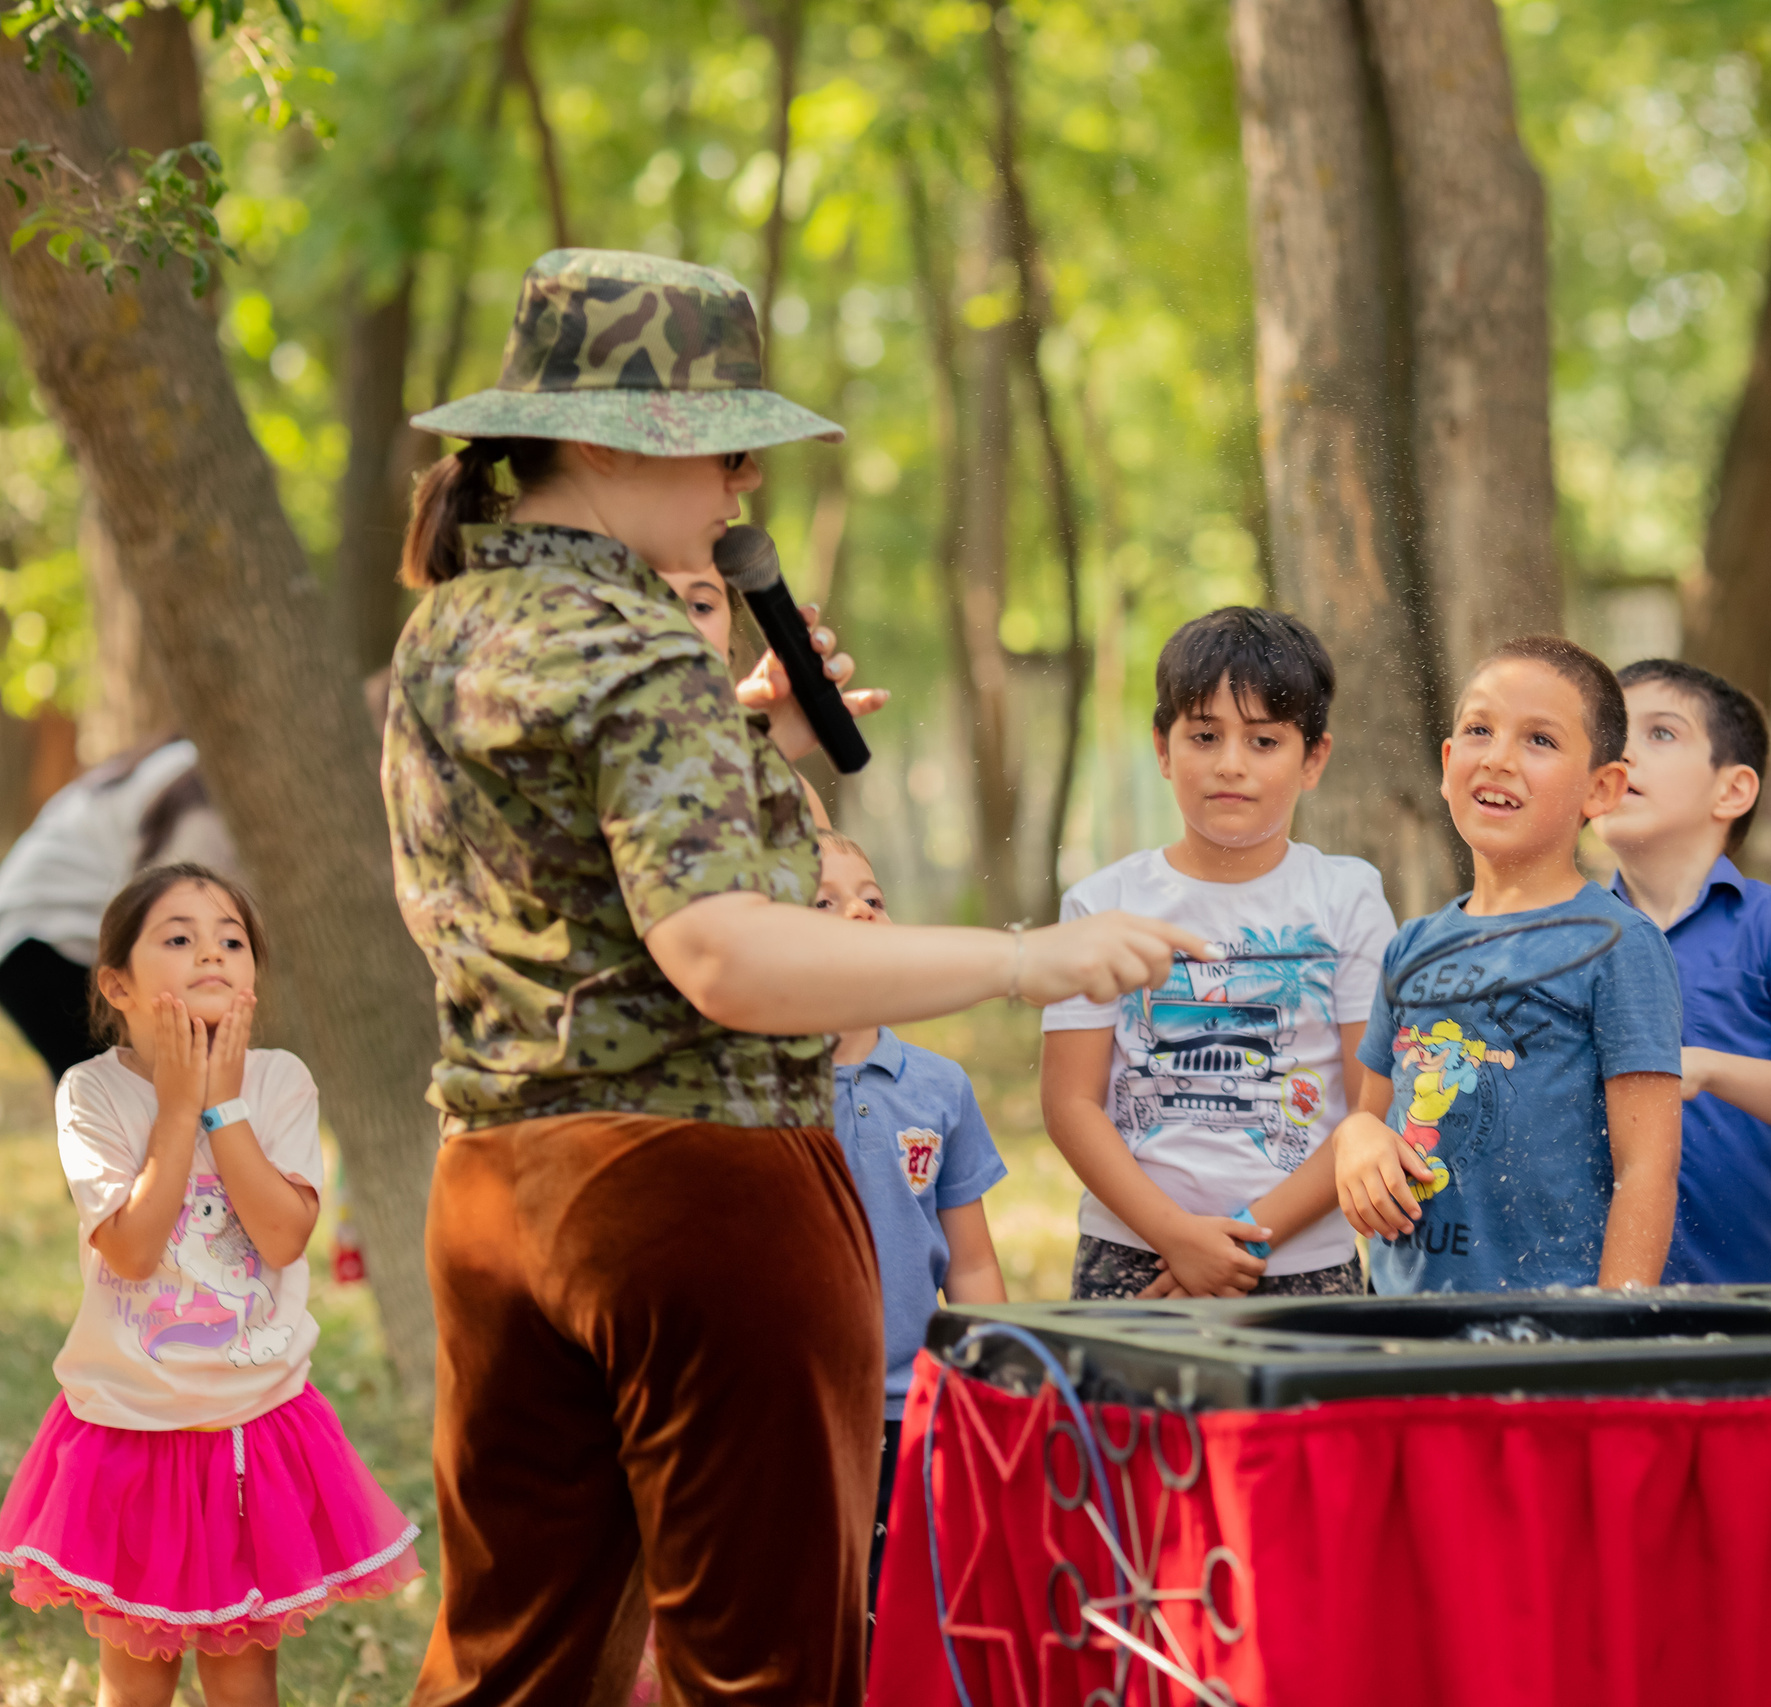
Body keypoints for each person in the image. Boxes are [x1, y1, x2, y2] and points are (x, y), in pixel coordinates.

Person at [382, 248, 1197, 1703]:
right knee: (754, 1660)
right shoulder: (639, 643)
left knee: (517, 1656)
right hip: (689, 1193)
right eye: (727, 444)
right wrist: (1028, 956)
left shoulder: (452, 622)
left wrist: (743, 756)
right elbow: (719, 954)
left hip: (494, 1188)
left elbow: (568, 887)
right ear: (613, 436)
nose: (741, 487)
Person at [0, 864, 420, 1701]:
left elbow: (281, 1234)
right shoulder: (93, 1093)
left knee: (241, 1678)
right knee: (137, 1680)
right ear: (116, 982)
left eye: (232, 938)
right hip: (131, 1429)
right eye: (180, 937)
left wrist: (223, 1107)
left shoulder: (279, 1081)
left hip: (254, 1432)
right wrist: (178, 1106)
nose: (213, 953)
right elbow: (130, 1248)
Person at [1041, 607, 1393, 1299]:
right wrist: (1175, 1235)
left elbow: (1370, 1105)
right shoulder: (1100, 903)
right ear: (1164, 749)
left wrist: (1242, 1239)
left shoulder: (1349, 897)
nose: (1231, 763)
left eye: (1264, 740)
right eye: (1204, 735)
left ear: (1313, 757)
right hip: (1135, 1257)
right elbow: (1069, 1103)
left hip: (1302, 1259)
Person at [1332, 635, 1682, 1293]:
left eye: (1540, 741)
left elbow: (1648, 1169)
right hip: (1399, 1330)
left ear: (1602, 787)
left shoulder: (1618, 944)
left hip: (1550, 1334)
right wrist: (1355, 1138)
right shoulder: (1410, 946)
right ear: (1446, 762)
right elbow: (1369, 1114)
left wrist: (1608, 1339)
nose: (1498, 758)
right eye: (1478, 730)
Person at [812, 831, 1007, 1636]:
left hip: (914, 1407)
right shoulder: (754, 1092)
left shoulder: (938, 1086)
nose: (859, 908)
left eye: (872, 896)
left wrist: (990, 1383)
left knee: (907, 1619)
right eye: (822, 902)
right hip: (795, 1413)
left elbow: (970, 1261)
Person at [1594, 659, 1771, 1282]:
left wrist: (1705, 1068)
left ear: (1733, 790)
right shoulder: (1568, 934)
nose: (1621, 753)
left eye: (1660, 733)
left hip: (1748, 1301)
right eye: (1612, 732)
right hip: (1586, 1304)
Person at [0, 735, 236, 1081]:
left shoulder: (167, 757)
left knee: (96, 1088)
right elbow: (179, 916)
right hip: (52, 937)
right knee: (118, 1091)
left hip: (21, 927)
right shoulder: (200, 792)